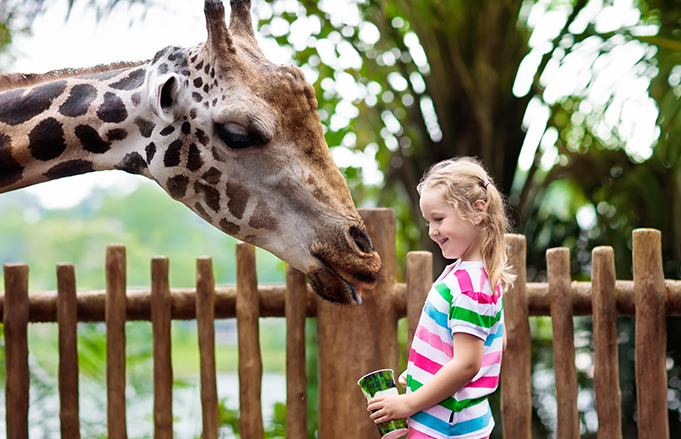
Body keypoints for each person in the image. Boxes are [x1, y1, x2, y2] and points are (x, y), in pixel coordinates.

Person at [367, 157, 514, 439]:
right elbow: (495, 341)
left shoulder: (471, 287)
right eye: (428, 222)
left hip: (446, 426)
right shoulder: (466, 274)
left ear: (477, 212)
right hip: (445, 418)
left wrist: (408, 402)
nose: (432, 231)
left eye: (439, 219)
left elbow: (468, 364)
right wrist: (424, 374)